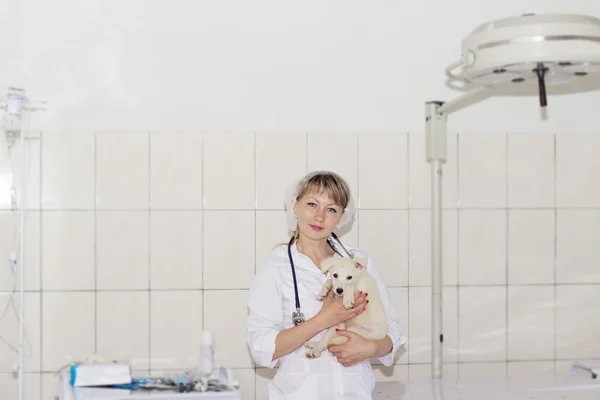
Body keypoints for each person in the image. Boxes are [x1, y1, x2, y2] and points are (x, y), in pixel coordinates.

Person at [247, 170, 406, 399]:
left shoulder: (359, 262)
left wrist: (371, 348)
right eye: (312, 204)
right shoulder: (275, 268)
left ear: (341, 217)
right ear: (295, 206)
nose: (319, 217)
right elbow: (261, 348)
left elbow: (393, 329)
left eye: (331, 209)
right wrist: (324, 319)